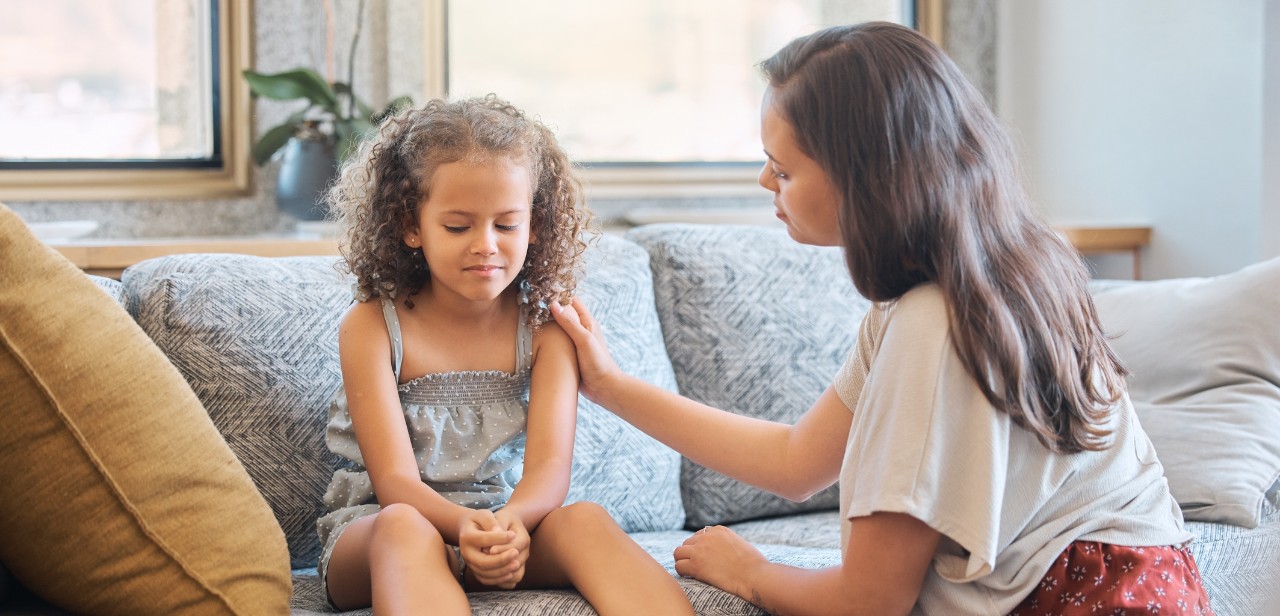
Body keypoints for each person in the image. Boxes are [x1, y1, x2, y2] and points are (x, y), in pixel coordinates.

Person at [550, 22, 1213, 616]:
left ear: (867, 176)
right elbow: (796, 462)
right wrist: (610, 385)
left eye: (782, 168)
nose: (764, 183)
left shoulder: (935, 323)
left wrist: (751, 572)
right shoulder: (991, 274)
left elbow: (869, 601)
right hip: (1153, 585)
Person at [318, 95, 695, 616]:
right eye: (458, 226)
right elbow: (396, 483)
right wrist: (462, 528)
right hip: (382, 529)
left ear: (535, 224)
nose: (486, 245)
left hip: (501, 522)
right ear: (411, 225)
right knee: (405, 529)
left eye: (507, 224)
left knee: (582, 520)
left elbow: (548, 468)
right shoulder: (371, 327)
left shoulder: (545, 331)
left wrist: (511, 524)